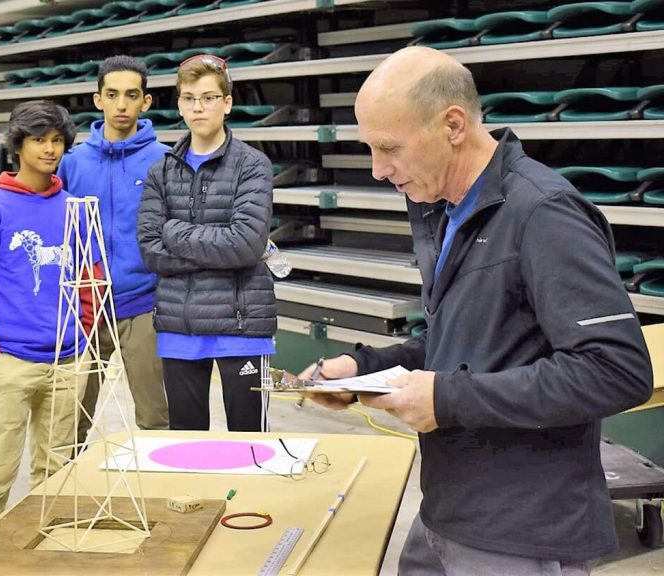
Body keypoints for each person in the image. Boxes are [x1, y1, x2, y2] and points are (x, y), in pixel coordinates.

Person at [301, 46, 653, 575]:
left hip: (519, 530)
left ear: (453, 125)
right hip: (451, 509)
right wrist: (363, 368)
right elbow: (469, 339)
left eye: (389, 148)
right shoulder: (452, 211)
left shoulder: (543, 214)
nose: (377, 170)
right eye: (369, 149)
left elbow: (616, 371)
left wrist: (447, 398)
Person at [0, 101, 98, 533]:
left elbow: (92, 277)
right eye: (39, 139)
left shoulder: (75, 208)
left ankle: (46, 552)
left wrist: (83, 337)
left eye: (56, 141)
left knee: (55, 471)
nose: (49, 149)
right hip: (12, 362)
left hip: (69, 362)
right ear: (18, 144)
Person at [137, 54, 277, 432]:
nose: (198, 107)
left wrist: (175, 231)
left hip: (243, 328)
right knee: (187, 446)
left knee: (250, 447)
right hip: (179, 329)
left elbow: (246, 244)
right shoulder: (161, 171)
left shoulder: (253, 165)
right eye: (188, 98)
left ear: (227, 103)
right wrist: (223, 252)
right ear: (180, 104)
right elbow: (151, 251)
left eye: (209, 97)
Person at [57, 55, 170, 442]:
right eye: (113, 94)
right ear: (97, 99)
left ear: (146, 102)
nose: (122, 105)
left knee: (156, 418)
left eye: (131, 95)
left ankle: (162, 497)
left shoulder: (165, 160)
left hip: (144, 305)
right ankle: (65, 495)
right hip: (86, 308)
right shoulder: (72, 163)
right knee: (71, 421)